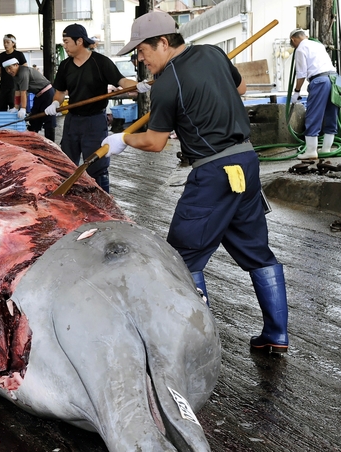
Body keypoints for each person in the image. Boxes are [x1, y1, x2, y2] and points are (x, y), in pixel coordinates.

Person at [101, 11, 289, 353]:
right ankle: (276, 335)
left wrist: (122, 141)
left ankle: (198, 346)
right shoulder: (213, 53)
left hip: (214, 174)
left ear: (162, 42)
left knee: (182, 257)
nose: (140, 60)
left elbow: (156, 143)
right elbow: (241, 88)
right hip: (245, 163)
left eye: (142, 51)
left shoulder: (168, 84)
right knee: (257, 252)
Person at [43, 23, 136, 192]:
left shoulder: (101, 62)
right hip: (73, 121)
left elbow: (122, 82)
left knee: (96, 166)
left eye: (66, 41)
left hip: (95, 121)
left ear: (79, 41)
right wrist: (55, 103)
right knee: (67, 165)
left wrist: (138, 86)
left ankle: (103, 204)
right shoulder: (65, 66)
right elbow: (60, 91)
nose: (64, 46)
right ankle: (71, 203)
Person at [289, 28, 339, 160]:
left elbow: (301, 74)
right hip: (336, 78)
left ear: (293, 40)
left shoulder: (300, 49)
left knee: (313, 114)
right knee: (331, 113)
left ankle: (311, 151)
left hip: (320, 81)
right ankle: (326, 149)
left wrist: (297, 91)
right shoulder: (318, 45)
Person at [2, 58, 56, 141]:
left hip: (48, 93)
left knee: (49, 119)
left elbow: (23, 92)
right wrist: (16, 107)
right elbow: (17, 91)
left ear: (16, 65)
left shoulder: (23, 72)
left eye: (10, 68)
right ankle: (33, 142)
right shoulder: (15, 76)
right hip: (38, 95)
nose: (9, 71)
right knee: (34, 118)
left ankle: (51, 142)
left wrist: (23, 108)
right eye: (6, 69)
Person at [0, 34, 27, 112]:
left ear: (13, 43)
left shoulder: (19, 55)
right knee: (1, 106)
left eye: (8, 42)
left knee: (14, 106)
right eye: (4, 42)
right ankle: (2, 123)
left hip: (15, 85)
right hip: (4, 85)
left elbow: (25, 69)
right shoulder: (1, 56)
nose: (5, 44)